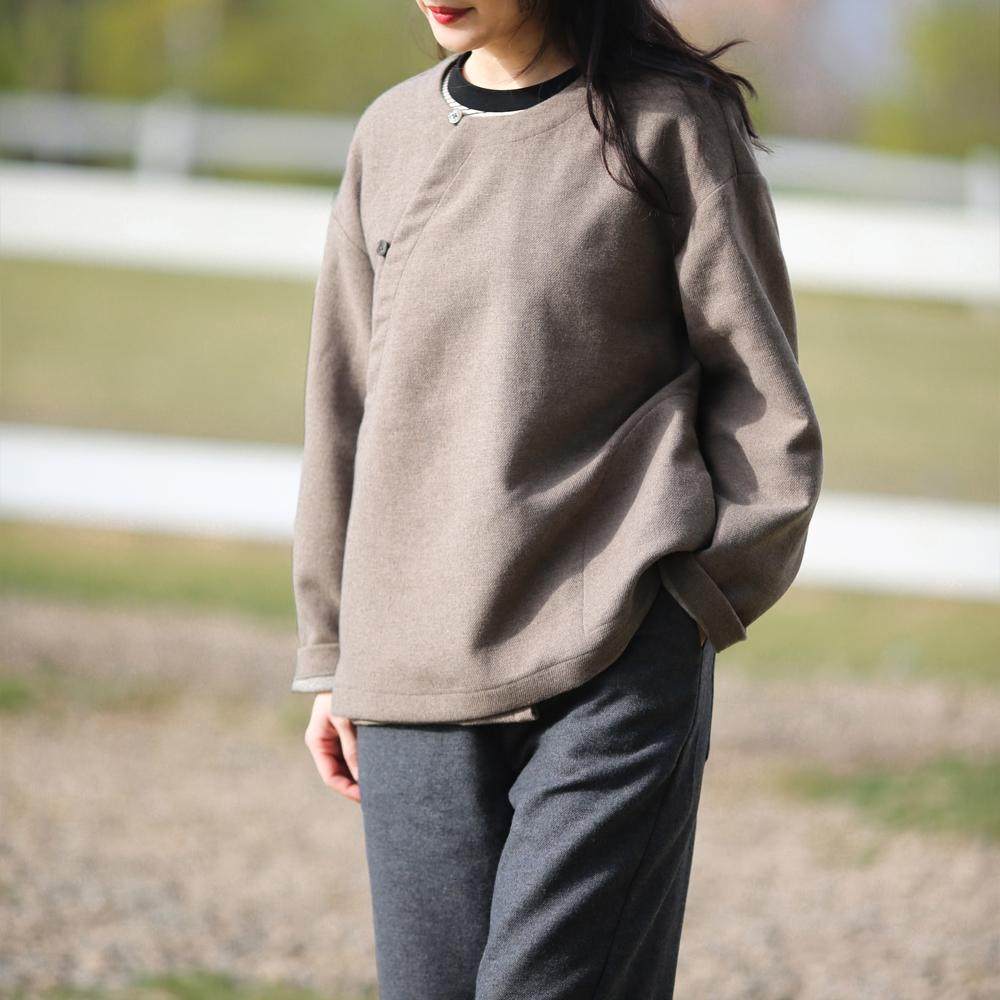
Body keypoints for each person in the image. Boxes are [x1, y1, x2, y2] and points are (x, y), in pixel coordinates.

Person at [294, 1, 824, 997]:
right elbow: (344, 405)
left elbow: (759, 396)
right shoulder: (390, 134)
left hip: (612, 660)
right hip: (409, 673)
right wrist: (331, 652)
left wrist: (691, 608)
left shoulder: (667, 125)